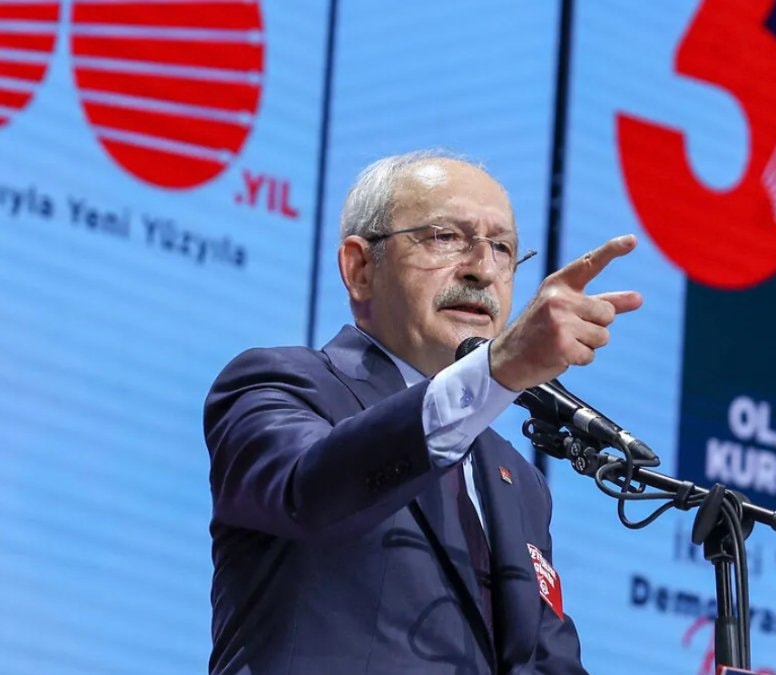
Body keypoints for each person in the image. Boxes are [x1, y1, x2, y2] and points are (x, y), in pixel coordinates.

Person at [203, 150, 642, 674]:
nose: (482, 270)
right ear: (360, 268)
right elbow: (309, 492)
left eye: (502, 248)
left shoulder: (518, 481)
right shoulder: (278, 384)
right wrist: (496, 371)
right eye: (445, 237)